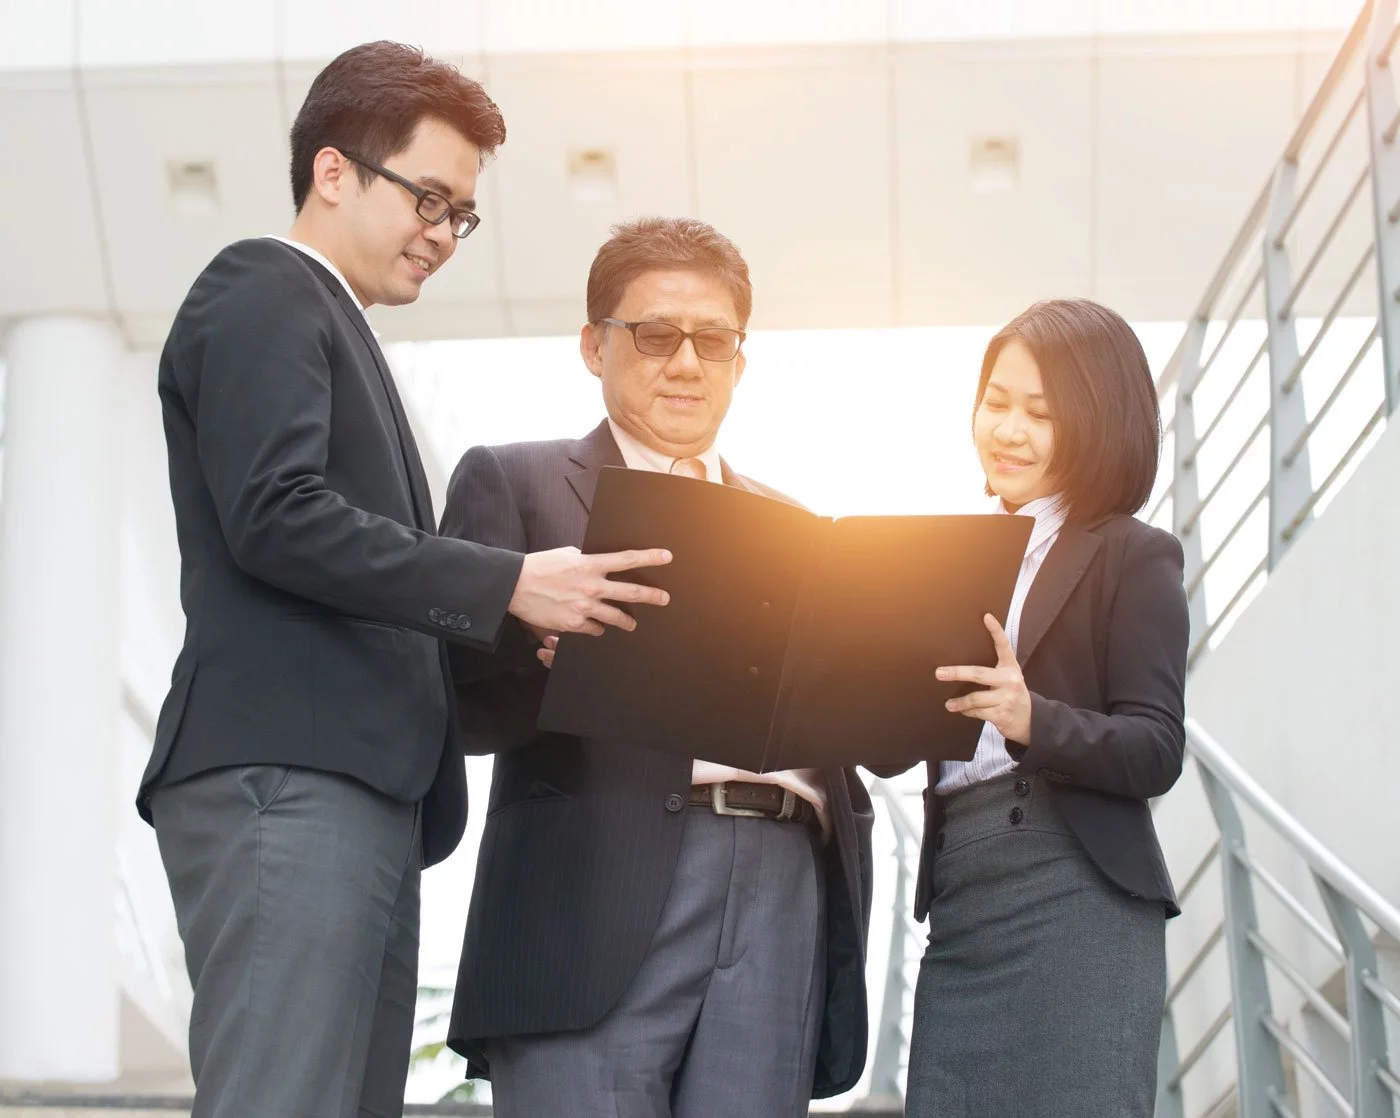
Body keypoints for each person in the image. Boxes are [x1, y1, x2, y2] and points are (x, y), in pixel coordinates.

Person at [137, 42, 669, 1118]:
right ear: (333, 172)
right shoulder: (264, 285)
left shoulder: (341, 331)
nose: (442, 234)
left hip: (353, 793)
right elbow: (276, 515)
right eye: (428, 198)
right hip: (288, 779)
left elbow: (353, 573)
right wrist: (506, 578)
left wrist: (524, 625)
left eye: (459, 216)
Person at [439, 217, 874, 1118]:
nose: (687, 363)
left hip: (784, 880)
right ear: (595, 346)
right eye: (656, 335)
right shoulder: (513, 482)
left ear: (740, 362)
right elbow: (453, 699)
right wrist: (541, 644)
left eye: (713, 341)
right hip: (593, 893)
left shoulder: (795, 526)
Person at [890, 298, 1189, 1117]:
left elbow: (1156, 747)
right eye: (996, 402)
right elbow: (907, 737)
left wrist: (1034, 720)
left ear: (1097, 422)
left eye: (1041, 413)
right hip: (963, 897)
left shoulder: (1132, 553)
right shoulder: (946, 555)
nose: (1008, 431)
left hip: (1075, 890)